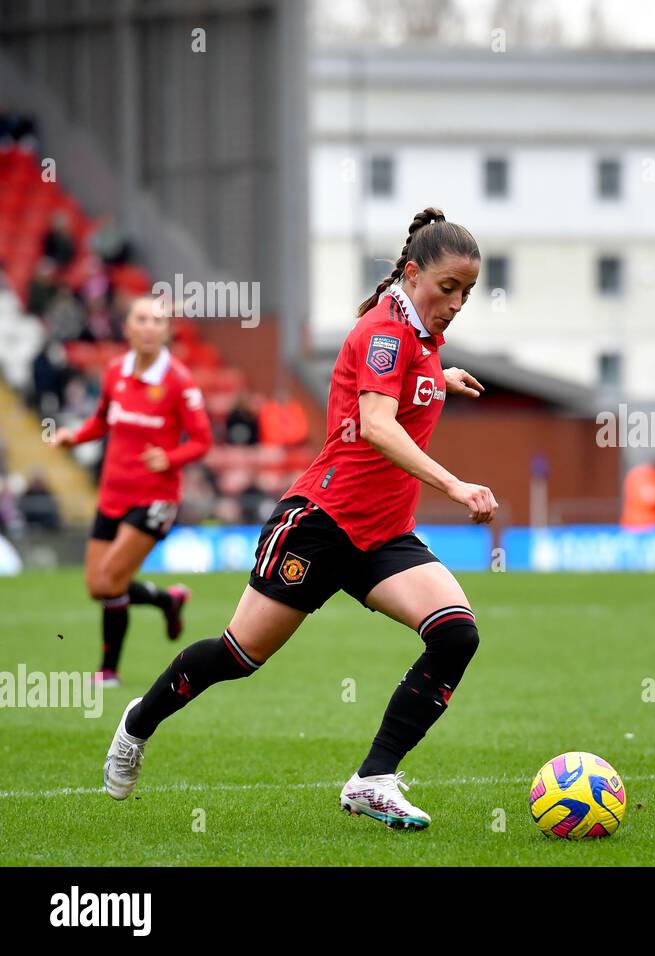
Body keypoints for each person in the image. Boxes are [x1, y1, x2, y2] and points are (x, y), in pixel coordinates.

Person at [100, 207, 498, 831]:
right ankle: (136, 725)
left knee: (456, 633)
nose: (456, 303)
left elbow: (397, 386)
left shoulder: (419, 336)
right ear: (414, 273)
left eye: (467, 294)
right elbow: (374, 424)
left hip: (382, 534)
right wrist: (454, 484)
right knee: (238, 655)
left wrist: (437, 379)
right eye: (448, 289)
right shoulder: (387, 330)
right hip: (320, 522)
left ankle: (373, 779)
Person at [54, 295, 213, 686]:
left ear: (166, 331)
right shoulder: (114, 372)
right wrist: (73, 438)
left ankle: (108, 671)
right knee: (98, 585)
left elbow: (202, 440)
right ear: (126, 327)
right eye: (140, 319)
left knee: (110, 581)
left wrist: (170, 459)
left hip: (155, 499)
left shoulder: (178, 380)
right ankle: (167, 600)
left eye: (157, 321)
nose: (148, 327)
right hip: (112, 495)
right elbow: (101, 421)